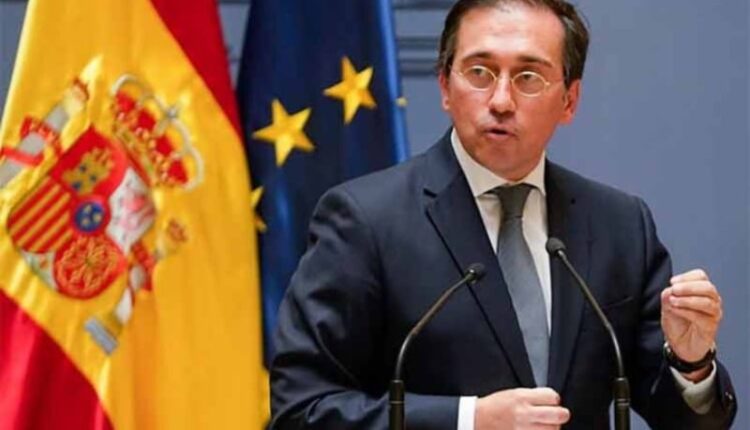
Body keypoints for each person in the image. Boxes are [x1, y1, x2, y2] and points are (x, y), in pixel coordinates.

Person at [269, 0, 737, 428]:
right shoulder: (365, 220)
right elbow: (300, 409)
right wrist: (468, 421)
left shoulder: (619, 225)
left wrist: (691, 364)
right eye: (479, 72)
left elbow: (688, 420)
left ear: (569, 100)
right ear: (445, 87)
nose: (500, 100)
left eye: (528, 77)